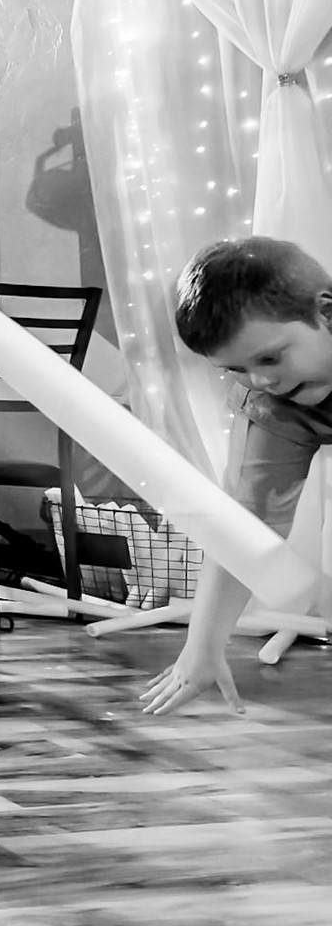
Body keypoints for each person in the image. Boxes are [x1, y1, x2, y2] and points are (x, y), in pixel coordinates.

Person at [143, 237, 332, 718]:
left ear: (326, 313)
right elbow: (246, 530)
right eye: (236, 369)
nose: (262, 380)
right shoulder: (275, 404)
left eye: (270, 358)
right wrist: (203, 646)